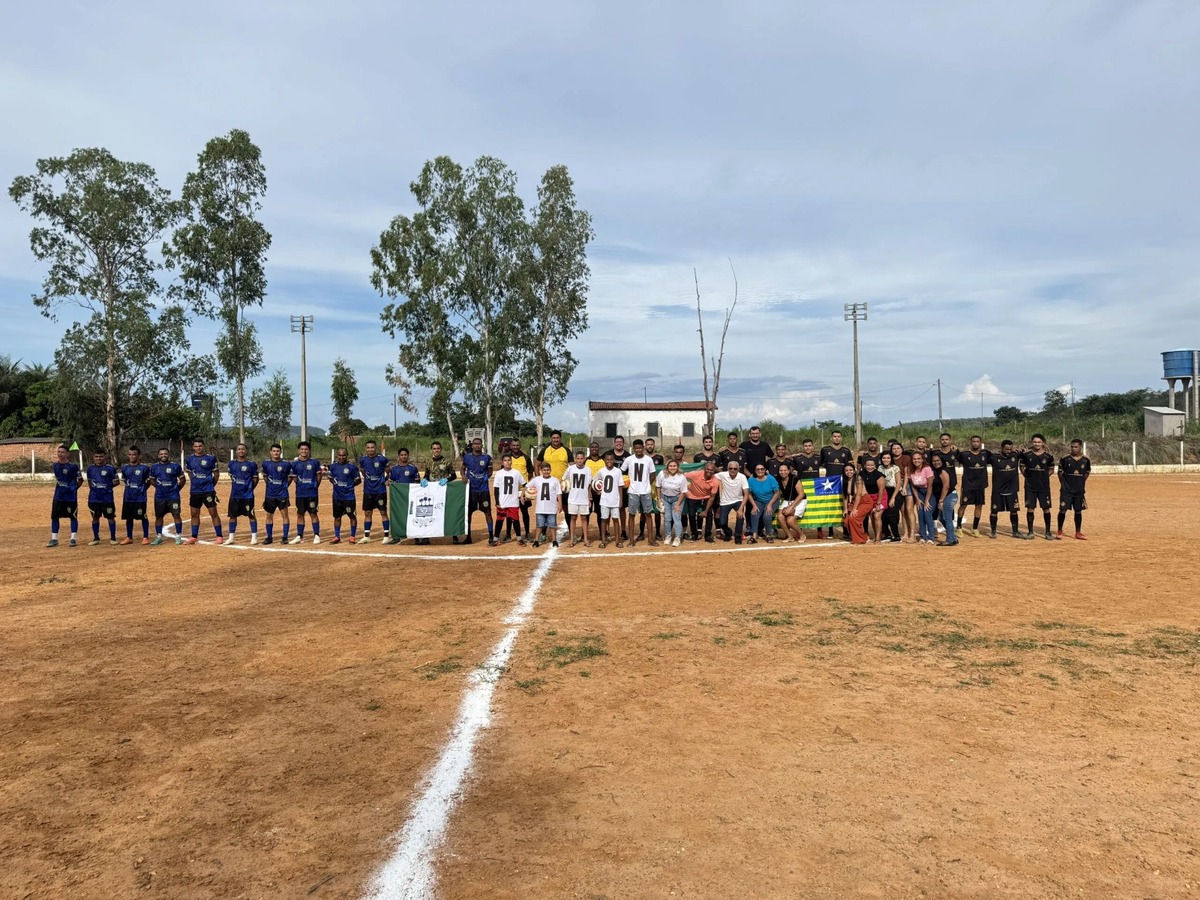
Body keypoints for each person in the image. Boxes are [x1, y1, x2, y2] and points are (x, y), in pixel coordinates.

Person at [184, 439, 223, 545]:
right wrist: (196, 483)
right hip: (195, 491)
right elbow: (190, 474)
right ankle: (194, 536)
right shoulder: (189, 459)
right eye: (196, 446)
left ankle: (219, 536)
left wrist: (210, 485)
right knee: (194, 514)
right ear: (193, 447)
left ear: (203, 446)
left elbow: (216, 475)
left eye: (200, 446)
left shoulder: (210, 458)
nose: (198, 448)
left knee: (213, 513)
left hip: (208, 491)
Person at [621, 439, 658, 547]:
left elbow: (653, 474)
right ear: (633, 448)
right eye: (636, 448)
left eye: (640, 448)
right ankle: (632, 540)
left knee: (648, 515)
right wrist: (625, 482)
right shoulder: (629, 459)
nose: (638, 450)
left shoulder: (648, 460)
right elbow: (621, 471)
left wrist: (646, 484)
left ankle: (651, 539)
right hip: (632, 491)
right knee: (632, 515)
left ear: (643, 448)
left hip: (645, 492)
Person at [989, 440, 1028, 539]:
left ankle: (1015, 531)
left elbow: (1031, 454)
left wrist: (1023, 450)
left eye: (1010, 449)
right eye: (1006, 449)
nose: (1008, 451)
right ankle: (993, 531)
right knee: (994, 511)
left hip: (1012, 489)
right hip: (998, 490)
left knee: (1014, 511)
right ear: (1001, 448)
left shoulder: (1016, 455)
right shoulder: (994, 457)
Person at [1020, 433, 1057, 540]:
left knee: (1046, 509)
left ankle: (1048, 532)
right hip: (1030, 487)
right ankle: (1030, 532)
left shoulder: (1048, 456)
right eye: (1035, 442)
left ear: (1043, 443)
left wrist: (1045, 477)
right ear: (1032, 442)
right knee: (1030, 509)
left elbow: (1051, 469)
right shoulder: (1026, 455)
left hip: (1043, 487)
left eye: (1039, 442)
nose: (1037, 444)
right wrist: (1027, 477)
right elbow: (1022, 467)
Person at [955, 435, 991, 537]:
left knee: (979, 506)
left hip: (980, 486)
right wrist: (955, 449)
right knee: (963, 505)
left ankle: (975, 528)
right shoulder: (964, 454)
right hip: (968, 485)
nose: (975, 443)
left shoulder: (985, 453)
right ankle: (958, 528)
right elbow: (954, 456)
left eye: (977, 441)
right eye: (974, 441)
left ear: (981, 443)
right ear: (971, 443)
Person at [224, 443, 259, 545]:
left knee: (251, 515)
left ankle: (254, 538)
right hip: (235, 495)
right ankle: (231, 538)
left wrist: (250, 488)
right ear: (236, 451)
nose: (241, 451)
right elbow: (232, 477)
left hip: (248, 495)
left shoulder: (251, 464)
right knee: (232, 516)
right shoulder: (231, 464)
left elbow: (255, 479)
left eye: (243, 449)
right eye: (239, 449)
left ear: (246, 451)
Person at [150, 447, 186, 546]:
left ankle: (178, 536)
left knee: (176, 515)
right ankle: (159, 537)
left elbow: (182, 480)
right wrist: (158, 487)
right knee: (158, 516)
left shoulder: (175, 466)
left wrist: (177, 489)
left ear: (168, 454)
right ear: (158, 456)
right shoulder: (154, 467)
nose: (163, 456)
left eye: (165, 454)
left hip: (173, 496)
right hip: (160, 497)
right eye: (161, 454)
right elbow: (152, 480)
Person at [462, 437, 494, 546]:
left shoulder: (487, 458)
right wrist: (463, 476)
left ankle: (491, 536)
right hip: (471, 491)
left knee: (488, 513)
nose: (477, 445)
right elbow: (462, 468)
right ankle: (468, 537)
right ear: (472, 445)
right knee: (468, 513)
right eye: (475, 444)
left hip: (483, 491)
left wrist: (484, 477)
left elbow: (490, 472)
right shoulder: (467, 457)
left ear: (482, 445)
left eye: (479, 444)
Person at [48, 444, 82, 548]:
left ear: (67, 454)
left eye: (62, 452)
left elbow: (80, 480)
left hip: (70, 497)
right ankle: (54, 539)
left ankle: (73, 538)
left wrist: (73, 488)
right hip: (58, 496)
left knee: (73, 516)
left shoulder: (73, 466)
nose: (60, 454)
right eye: (58, 452)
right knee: (54, 517)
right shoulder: (55, 465)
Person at [1057, 439, 1091, 540]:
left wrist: (1080, 482)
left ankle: (1078, 532)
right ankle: (1059, 530)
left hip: (1079, 491)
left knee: (1078, 511)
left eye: (1076, 447)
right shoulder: (1065, 459)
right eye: (1072, 447)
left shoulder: (1086, 460)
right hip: (1066, 490)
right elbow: (1059, 473)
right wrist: (1064, 484)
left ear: (1080, 447)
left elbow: (1087, 472)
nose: (1073, 449)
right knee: (1062, 510)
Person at [821, 432, 852, 539]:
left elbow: (850, 467)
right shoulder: (825, 450)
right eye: (835, 436)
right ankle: (830, 530)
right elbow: (819, 465)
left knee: (845, 506)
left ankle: (846, 530)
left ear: (841, 438)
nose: (837, 438)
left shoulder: (846, 451)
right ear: (831, 438)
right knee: (830, 506)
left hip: (843, 483)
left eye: (839, 436)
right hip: (829, 484)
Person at [359, 440, 391, 545]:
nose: (370, 449)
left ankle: (386, 536)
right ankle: (366, 536)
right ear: (365, 448)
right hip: (368, 491)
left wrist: (386, 480)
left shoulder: (382, 459)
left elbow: (388, 471)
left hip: (380, 491)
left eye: (372, 447)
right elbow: (362, 471)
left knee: (383, 512)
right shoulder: (363, 459)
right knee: (367, 513)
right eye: (368, 447)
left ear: (375, 448)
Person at [290, 441, 323, 544]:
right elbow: (295, 478)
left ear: (309, 450)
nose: (304, 451)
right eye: (302, 449)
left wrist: (314, 486)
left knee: (313, 513)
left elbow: (319, 476)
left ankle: (316, 535)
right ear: (299, 450)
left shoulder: (314, 462)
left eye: (306, 449)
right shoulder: (295, 464)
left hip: (312, 494)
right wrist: (301, 485)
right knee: (300, 514)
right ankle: (300, 536)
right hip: (300, 493)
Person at [259, 444, 292, 546]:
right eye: (274, 451)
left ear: (280, 452)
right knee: (269, 515)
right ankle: (269, 537)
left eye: (278, 451)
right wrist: (270, 485)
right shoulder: (266, 463)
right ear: (270, 452)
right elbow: (265, 477)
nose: (276, 453)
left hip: (282, 494)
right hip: (270, 494)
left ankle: (285, 537)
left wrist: (284, 486)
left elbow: (289, 477)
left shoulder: (286, 464)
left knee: (284, 515)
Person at [120, 446, 154, 546]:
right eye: (130, 454)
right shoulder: (125, 468)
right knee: (129, 517)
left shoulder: (145, 468)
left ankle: (145, 537)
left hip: (140, 498)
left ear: (139, 456)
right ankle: (129, 537)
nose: (132, 456)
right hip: (128, 497)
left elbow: (148, 482)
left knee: (143, 516)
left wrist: (141, 490)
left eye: (134, 454)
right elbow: (126, 481)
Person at [847, 457, 884, 545]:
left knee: (876, 516)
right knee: (871, 516)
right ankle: (872, 536)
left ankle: (878, 538)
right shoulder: (861, 473)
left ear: (875, 466)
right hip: (868, 497)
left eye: (872, 465)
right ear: (864, 466)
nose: (869, 467)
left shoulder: (879, 475)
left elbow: (881, 490)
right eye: (868, 465)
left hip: (879, 497)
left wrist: (878, 503)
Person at [492, 453, 527, 546]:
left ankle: (519, 539)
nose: (507, 462)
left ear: (511, 461)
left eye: (509, 460)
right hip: (502, 501)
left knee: (515, 520)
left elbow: (524, 485)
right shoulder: (499, 473)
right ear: (502, 463)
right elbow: (496, 489)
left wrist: (522, 495)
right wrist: (497, 502)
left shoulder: (516, 472)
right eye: (505, 460)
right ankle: (495, 539)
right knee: (499, 520)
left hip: (513, 501)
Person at [85, 450, 118, 546]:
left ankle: (113, 538)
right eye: (96, 456)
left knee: (110, 518)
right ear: (93, 457)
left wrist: (107, 486)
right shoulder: (90, 469)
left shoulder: (110, 468)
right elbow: (90, 482)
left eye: (101, 456)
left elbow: (116, 482)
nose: (99, 458)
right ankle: (96, 538)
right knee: (95, 518)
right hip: (94, 499)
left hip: (107, 499)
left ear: (105, 457)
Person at [389, 448, 421, 544]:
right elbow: (390, 480)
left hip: (410, 496)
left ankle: (416, 536)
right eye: (402, 455)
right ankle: (396, 536)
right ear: (398, 456)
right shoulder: (394, 469)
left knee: (412, 515)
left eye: (405, 454)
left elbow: (417, 482)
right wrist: (388, 482)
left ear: (408, 456)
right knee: (397, 515)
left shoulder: (412, 468)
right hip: (398, 498)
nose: (403, 456)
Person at [329, 448, 361, 544]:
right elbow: (331, 478)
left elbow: (358, 480)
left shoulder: (352, 467)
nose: (341, 457)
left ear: (347, 455)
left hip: (349, 497)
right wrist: (335, 484)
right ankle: (337, 536)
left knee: (352, 516)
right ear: (337, 456)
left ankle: (352, 536)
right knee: (337, 517)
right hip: (337, 497)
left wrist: (349, 486)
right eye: (340, 455)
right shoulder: (333, 466)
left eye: (343, 455)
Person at [592, 451, 624, 548]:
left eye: (611, 459)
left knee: (615, 520)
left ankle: (618, 540)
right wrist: (597, 490)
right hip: (604, 500)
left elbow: (620, 486)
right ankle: (603, 540)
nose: (609, 461)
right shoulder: (601, 471)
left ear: (614, 460)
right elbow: (595, 481)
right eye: (607, 460)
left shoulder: (618, 471)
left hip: (615, 500)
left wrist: (621, 500)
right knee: (604, 520)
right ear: (604, 461)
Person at [563, 449, 594, 547]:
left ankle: (585, 539)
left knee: (584, 518)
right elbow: (564, 480)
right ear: (575, 459)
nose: (580, 460)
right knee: (573, 517)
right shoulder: (570, 469)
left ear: (584, 459)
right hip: (573, 498)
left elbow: (589, 484)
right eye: (578, 458)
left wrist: (589, 495)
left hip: (584, 497)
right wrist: (565, 487)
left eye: (581, 458)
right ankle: (572, 539)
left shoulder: (588, 470)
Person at [715, 460, 750, 544]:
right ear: (727, 469)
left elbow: (746, 494)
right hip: (725, 501)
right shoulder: (722, 475)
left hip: (738, 500)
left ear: (738, 469)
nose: (733, 470)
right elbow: (710, 475)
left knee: (740, 517)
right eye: (730, 468)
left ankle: (738, 536)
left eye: (735, 468)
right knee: (722, 522)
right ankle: (728, 532)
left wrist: (741, 508)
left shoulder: (742, 477)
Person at [528, 461, 561, 548]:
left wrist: (560, 504)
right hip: (540, 507)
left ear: (550, 470)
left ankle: (554, 540)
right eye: (544, 470)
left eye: (548, 470)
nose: (546, 471)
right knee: (539, 525)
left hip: (551, 507)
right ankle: (536, 540)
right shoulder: (536, 479)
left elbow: (558, 493)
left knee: (552, 525)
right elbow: (527, 487)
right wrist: (524, 495)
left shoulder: (555, 480)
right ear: (541, 470)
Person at [684, 459, 719, 542]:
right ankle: (694, 534)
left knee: (709, 514)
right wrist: (686, 490)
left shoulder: (715, 481)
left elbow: (712, 497)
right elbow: (682, 476)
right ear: (704, 469)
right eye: (707, 469)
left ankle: (708, 535)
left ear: (714, 471)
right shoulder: (696, 474)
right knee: (692, 515)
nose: (709, 471)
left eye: (711, 470)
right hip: (693, 496)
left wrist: (706, 511)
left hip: (706, 497)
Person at [655, 459, 688, 546]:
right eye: (670, 466)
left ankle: (677, 538)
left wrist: (678, 505)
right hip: (665, 499)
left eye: (674, 466)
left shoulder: (681, 477)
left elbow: (683, 492)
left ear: (677, 467)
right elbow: (658, 486)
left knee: (676, 518)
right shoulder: (662, 474)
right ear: (667, 467)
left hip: (677, 499)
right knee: (667, 519)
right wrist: (659, 499)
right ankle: (668, 536)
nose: (672, 468)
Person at [508, 438, 536, 540]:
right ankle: (508, 534)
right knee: (509, 512)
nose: (515, 447)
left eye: (517, 445)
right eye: (513, 445)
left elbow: (530, 472)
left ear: (520, 446)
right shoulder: (508, 458)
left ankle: (527, 532)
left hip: (522, 490)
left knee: (525, 512)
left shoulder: (526, 458)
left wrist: (526, 487)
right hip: (510, 490)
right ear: (511, 446)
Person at [746, 463, 781, 544]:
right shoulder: (751, 480)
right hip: (759, 501)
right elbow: (749, 494)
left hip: (772, 500)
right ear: (754, 471)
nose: (760, 471)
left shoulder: (770, 478)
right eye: (758, 469)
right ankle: (754, 536)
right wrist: (754, 505)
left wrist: (770, 505)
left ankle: (768, 535)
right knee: (754, 513)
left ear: (765, 470)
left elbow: (777, 492)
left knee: (767, 515)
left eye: (762, 469)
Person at [930, 453, 959, 546]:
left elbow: (946, 486)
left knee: (947, 518)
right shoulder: (936, 471)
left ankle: (950, 539)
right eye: (934, 461)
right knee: (942, 518)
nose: (936, 462)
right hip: (946, 496)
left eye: (938, 460)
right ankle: (953, 537)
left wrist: (941, 500)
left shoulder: (943, 471)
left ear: (942, 461)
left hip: (949, 496)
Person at [908, 450, 935, 545]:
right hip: (919, 493)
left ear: (922, 459)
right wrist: (917, 499)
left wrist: (927, 500)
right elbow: (912, 486)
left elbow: (930, 486)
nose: (916, 461)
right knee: (920, 514)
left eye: (919, 458)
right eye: (914, 459)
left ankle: (931, 537)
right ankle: (923, 536)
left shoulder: (927, 469)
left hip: (929, 493)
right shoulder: (910, 470)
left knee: (927, 514)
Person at [775, 463, 807, 543]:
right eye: (781, 470)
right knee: (780, 517)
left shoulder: (795, 479)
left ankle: (802, 535)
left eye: (785, 470)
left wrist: (791, 507)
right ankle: (790, 536)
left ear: (789, 471)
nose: (783, 472)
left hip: (799, 500)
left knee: (790, 521)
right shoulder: (778, 479)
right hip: (787, 500)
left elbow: (801, 494)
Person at [583, 442, 607, 541]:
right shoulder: (586, 461)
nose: (594, 449)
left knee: (600, 513)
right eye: (592, 447)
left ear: (599, 448)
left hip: (599, 492)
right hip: (588, 491)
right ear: (590, 448)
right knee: (586, 513)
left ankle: (602, 533)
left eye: (596, 447)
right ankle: (584, 535)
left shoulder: (603, 461)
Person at [879, 450, 902, 543]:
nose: (886, 460)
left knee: (891, 515)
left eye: (888, 458)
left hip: (895, 492)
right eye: (884, 458)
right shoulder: (879, 468)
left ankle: (896, 535)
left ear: (891, 458)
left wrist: (893, 497)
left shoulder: (895, 468)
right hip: (884, 491)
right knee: (883, 514)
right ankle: (887, 534)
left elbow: (898, 483)